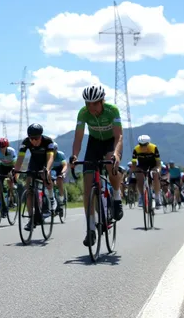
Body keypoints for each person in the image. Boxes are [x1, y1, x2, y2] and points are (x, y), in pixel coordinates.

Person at [70, 84, 124, 247]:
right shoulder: (83, 113)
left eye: (94, 103)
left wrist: (116, 154)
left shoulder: (112, 110)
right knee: (87, 187)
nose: (91, 107)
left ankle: (116, 196)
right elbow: (78, 138)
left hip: (110, 143)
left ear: (102, 101)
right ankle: (91, 229)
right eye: (88, 103)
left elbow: (118, 136)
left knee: (110, 163)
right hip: (93, 144)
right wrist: (74, 156)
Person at [13, 123, 57, 231]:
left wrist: (47, 169)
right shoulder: (26, 142)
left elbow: (50, 157)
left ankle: (51, 198)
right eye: (31, 138)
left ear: (41, 136)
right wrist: (16, 172)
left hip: (45, 161)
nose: (33, 141)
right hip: (34, 162)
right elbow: (20, 159)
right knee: (29, 189)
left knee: (47, 177)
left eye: (36, 138)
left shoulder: (48, 141)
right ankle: (31, 219)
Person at [131, 135, 163, 209]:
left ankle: (157, 198)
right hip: (142, 165)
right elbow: (134, 163)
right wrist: (135, 171)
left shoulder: (154, 148)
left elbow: (158, 162)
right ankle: (142, 196)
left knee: (155, 175)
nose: (143, 147)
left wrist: (158, 169)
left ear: (148, 143)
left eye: (145, 145)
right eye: (141, 145)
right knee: (139, 177)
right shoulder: (136, 149)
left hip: (153, 165)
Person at [50, 142, 69, 216]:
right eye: (51, 150)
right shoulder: (48, 155)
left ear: (56, 150)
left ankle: (61, 199)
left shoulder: (60, 155)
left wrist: (62, 173)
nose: (52, 151)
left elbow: (64, 165)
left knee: (59, 180)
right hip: (52, 170)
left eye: (54, 150)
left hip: (60, 169)